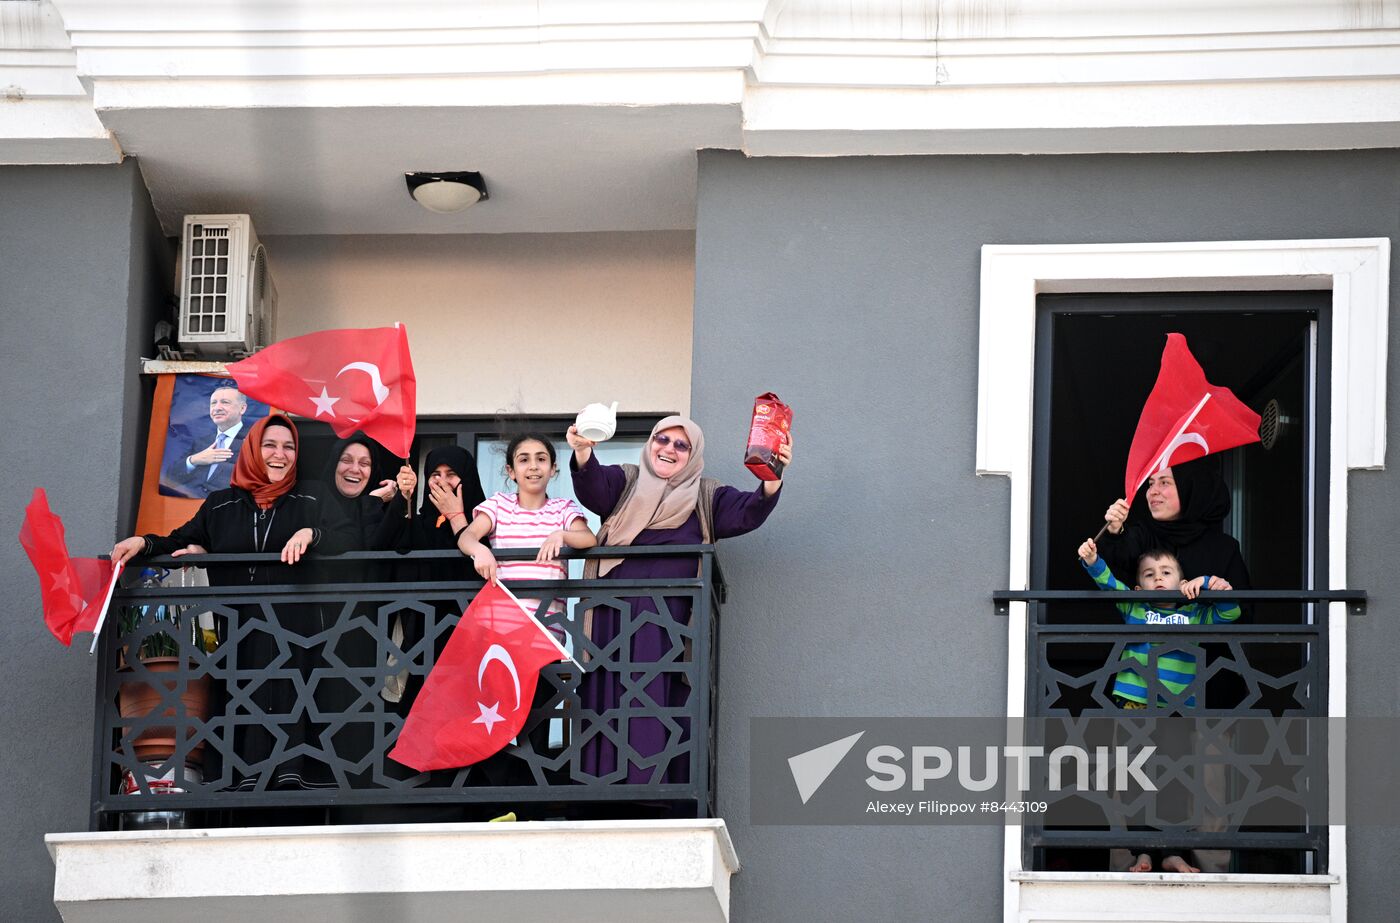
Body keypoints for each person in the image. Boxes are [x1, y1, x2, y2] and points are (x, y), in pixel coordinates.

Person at [112, 413, 352, 790]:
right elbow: (177, 540)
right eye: (270, 445)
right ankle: (243, 786)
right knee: (244, 714)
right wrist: (143, 543)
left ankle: (293, 785)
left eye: (289, 447)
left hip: (298, 632)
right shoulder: (221, 505)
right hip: (240, 633)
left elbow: (348, 539)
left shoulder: (313, 496)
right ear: (253, 450)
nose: (280, 454)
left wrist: (312, 532)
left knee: (295, 709)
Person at [567, 415, 791, 785]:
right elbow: (593, 488)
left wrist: (773, 477)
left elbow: (749, 511)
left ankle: (655, 794)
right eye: (662, 439)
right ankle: (599, 791)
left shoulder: (706, 496)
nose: (668, 449)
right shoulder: (624, 482)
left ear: (693, 455)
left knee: (659, 699)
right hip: (612, 620)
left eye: (680, 445)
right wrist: (582, 452)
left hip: (666, 626)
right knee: (607, 696)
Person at [1077, 536, 1241, 875]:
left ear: (1182, 583)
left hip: (1179, 710)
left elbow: (1232, 610)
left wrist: (1209, 583)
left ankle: (1173, 851)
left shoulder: (1195, 613)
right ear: (1138, 588)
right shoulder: (1135, 608)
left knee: (1176, 779)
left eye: (1166, 572)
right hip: (1136, 707)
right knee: (1137, 780)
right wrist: (1093, 559)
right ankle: (1143, 853)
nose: (1158, 578)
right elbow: (1107, 583)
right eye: (1149, 574)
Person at [1096, 461, 1251, 594]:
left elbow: (1243, 613)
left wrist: (1221, 591)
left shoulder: (1223, 548)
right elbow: (1115, 560)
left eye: (1164, 482)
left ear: (1189, 489)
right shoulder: (1141, 535)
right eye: (1150, 484)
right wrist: (1114, 530)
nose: (1153, 492)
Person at [164, 384, 250, 497]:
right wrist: (194, 460)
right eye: (213, 403)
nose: (217, 408)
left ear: (242, 408)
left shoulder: (254, 441)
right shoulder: (202, 442)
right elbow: (169, 478)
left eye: (225, 402)